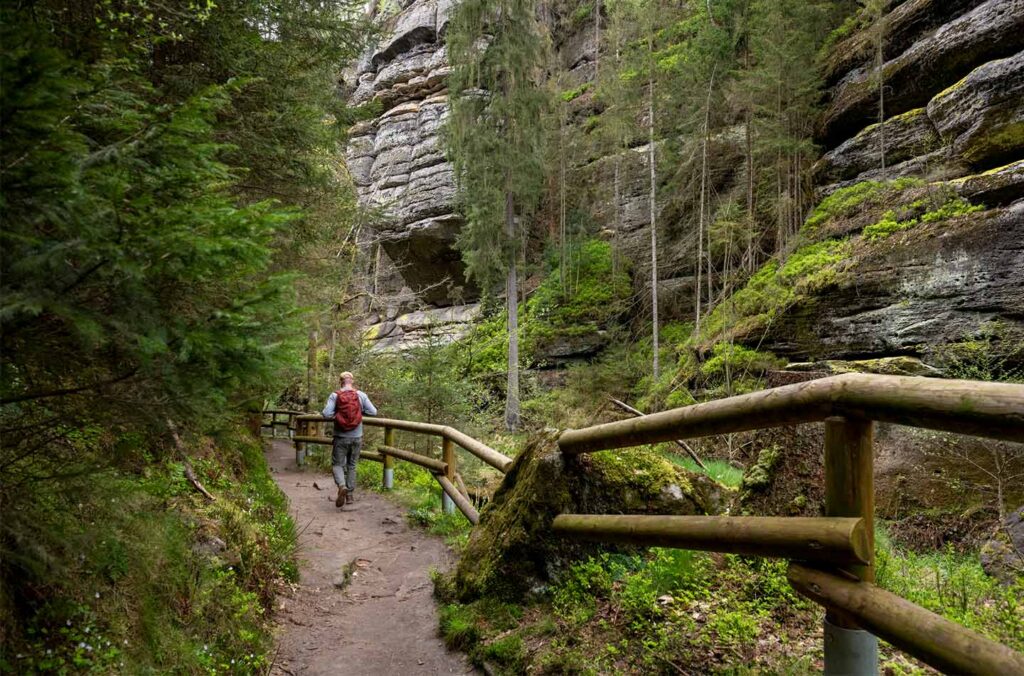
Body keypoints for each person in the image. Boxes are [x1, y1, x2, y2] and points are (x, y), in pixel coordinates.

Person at [321, 371, 377, 508]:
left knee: (337, 464)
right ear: (352, 381)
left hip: (340, 437)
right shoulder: (361, 395)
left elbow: (326, 414)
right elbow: (374, 412)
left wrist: (337, 414)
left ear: (340, 381)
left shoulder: (335, 395)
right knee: (352, 465)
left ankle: (341, 486)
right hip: (357, 437)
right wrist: (360, 412)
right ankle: (350, 496)